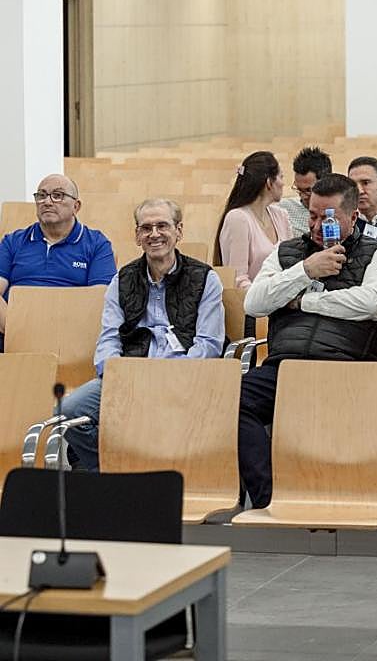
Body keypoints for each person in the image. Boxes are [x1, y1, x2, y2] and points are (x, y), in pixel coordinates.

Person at [239, 173, 377, 507]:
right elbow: (254, 303)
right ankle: (270, 498)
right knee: (232, 401)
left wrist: (303, 301)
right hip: (285, 365)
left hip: (345, 367)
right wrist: (305, 271)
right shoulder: (288, 253)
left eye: (327, 217)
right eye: (312, 215)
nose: (316, 225)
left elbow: (370, 304)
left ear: (352, 217)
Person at [60, 199, 225, 471]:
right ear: (137, 235)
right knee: (68, 411)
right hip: (129, 373)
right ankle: (111, 472)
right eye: (146, 228)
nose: (154, 234)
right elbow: (109, 336)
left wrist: (167, 376)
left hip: (182, 376)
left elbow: (208, 344)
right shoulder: (122, 279)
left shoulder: (205, 278)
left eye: (162, 226)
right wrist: (113, 372)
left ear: (178, 231)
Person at [0, 173, 117, 352]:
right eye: (41, 195)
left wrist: (57, 333)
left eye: (57, 195)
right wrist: (17, 330)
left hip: (71, 335)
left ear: (76, 206)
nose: (47, 201)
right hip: (13, 333)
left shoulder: (97, 243)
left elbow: (97, 300)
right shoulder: (13, 241)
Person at [214, 151, 293, 289]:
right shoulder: (238, 219)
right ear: (269, 182)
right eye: (281, 177)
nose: (283, 182)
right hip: (252, 304)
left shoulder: (281, 216)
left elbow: (292, 265)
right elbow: (238, 279)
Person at [280, 146, 332, 237]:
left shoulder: (342, 211)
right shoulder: (282, 210)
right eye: (299, 190)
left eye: (308, 190)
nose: (303, 196)